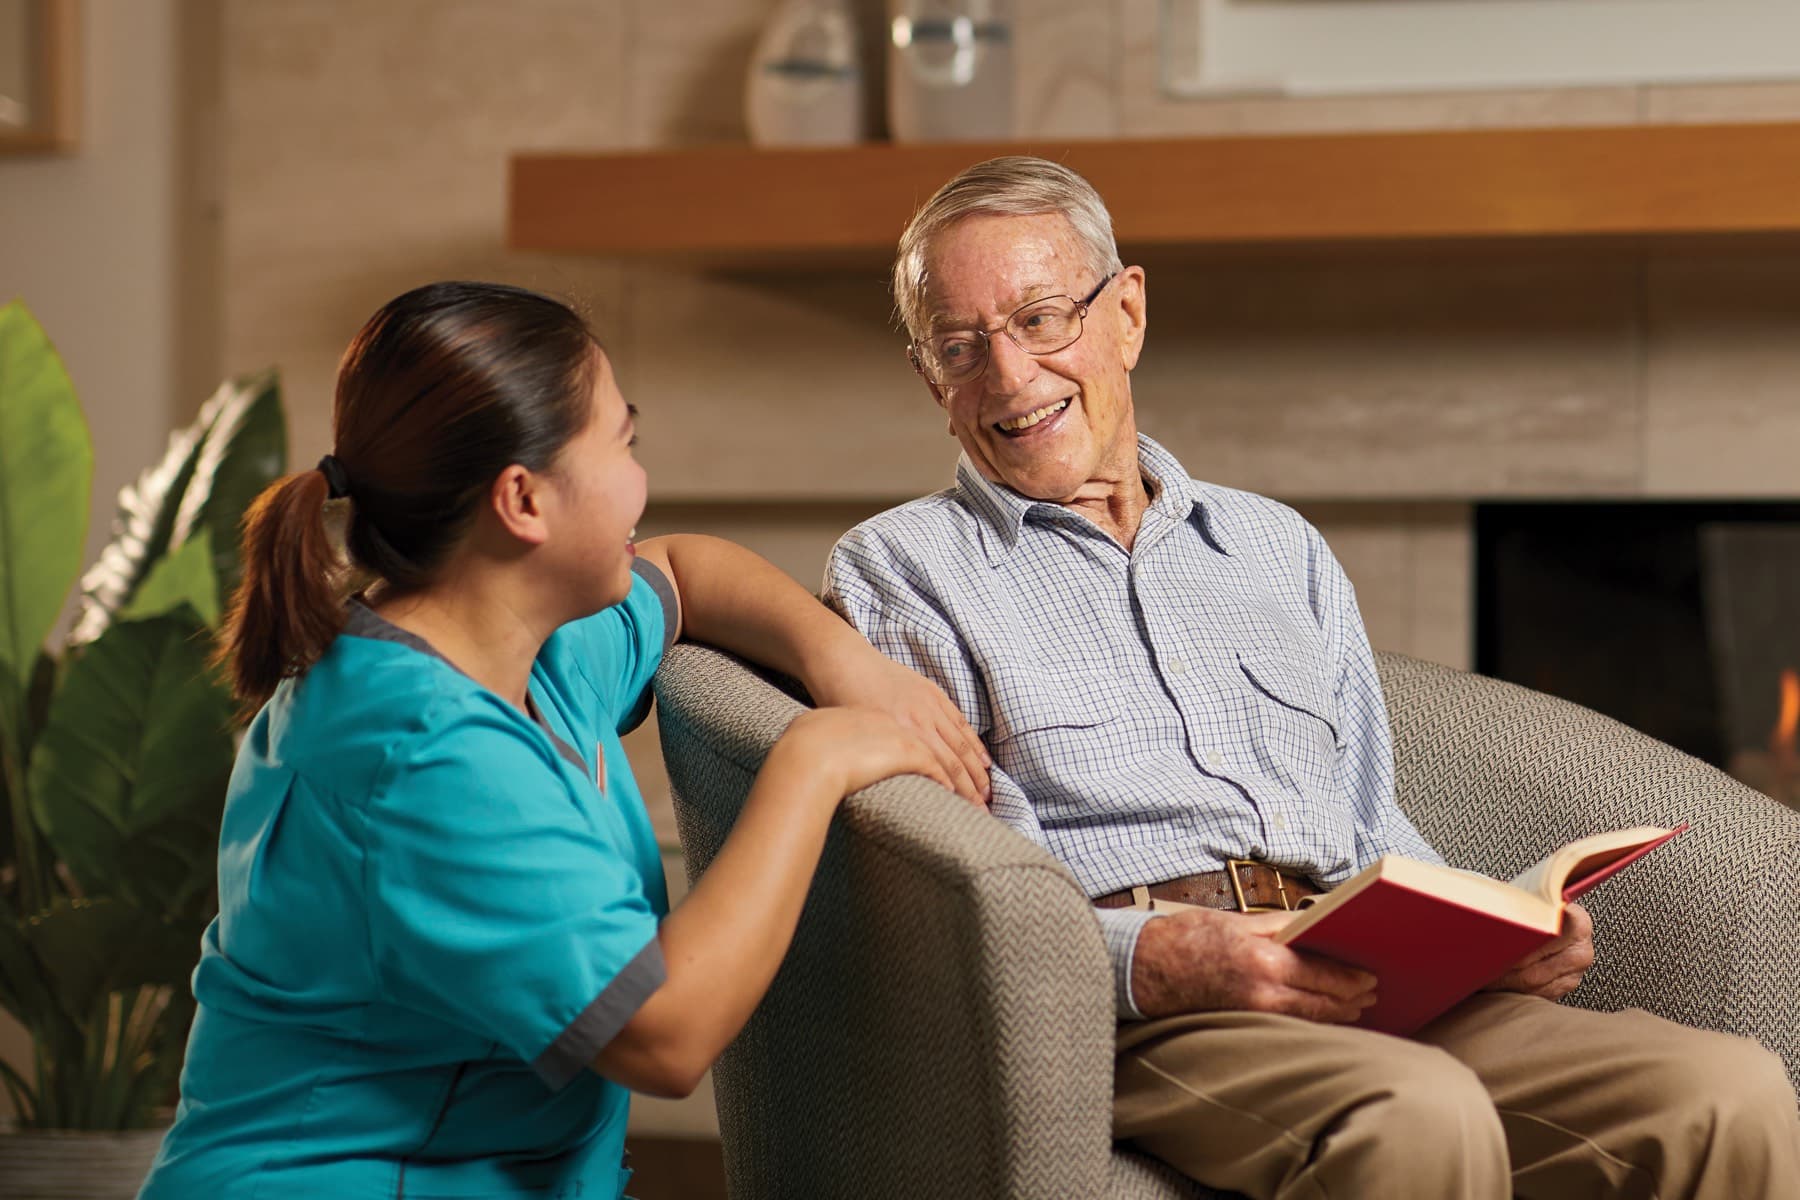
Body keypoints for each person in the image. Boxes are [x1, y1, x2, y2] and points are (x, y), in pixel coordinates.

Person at [822, 157, 1800, 1199]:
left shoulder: (1274, 545)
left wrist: (1488, 929)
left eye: (1042, 319)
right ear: (933, 378)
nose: (1011, 377)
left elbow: (1372, 822)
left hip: (1364, 967)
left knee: (1726, 1091)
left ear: (1129, 314)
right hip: (1159, 1011)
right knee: (1415, 1116)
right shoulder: (901, 574)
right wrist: (1164, 956)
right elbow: (966, 891)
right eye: (962, 347)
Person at [138, 280, 991, 1199]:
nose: (641, 481)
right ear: (523, 501)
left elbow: (686, 567)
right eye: (624, 442)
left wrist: (846, 662)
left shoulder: (521, 641)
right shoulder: (422, 753)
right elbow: (665, 1036)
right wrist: (811, 760)